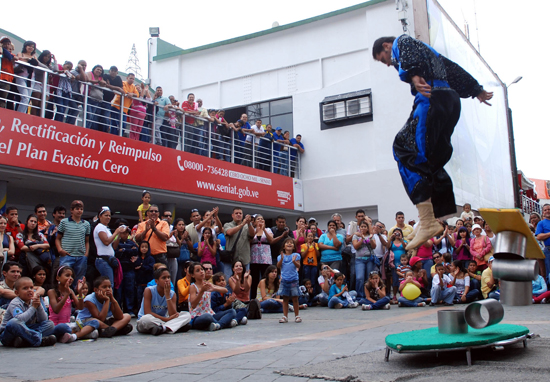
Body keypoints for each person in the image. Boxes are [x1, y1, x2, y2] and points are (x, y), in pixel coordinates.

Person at [372, 35, 493, 251]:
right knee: (431, 158)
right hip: (451, 100)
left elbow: (407, 53)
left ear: (387, 46)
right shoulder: (429, 52)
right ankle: (436, 216)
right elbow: (452, 69)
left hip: (432, 99)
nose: (388, 63)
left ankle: (427, 220)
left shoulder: (403, 43)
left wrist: (415, 75)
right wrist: (475, 89)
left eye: (384, 58)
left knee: (404, 148)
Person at [0, 277, 63, 347]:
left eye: (31, 288)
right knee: (13, 322)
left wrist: (39, 306)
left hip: (27, 330)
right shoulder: (15, 303)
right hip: (10, 333)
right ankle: (38, 340)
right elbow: (20, 319)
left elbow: (44, 319)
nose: (29, 290)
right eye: (25, 288)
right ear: (17, 293)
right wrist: (33, 307)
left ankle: (25, 341)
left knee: (50, 324)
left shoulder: (33, 301)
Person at [48, 266, 99, 340]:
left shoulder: (70, 291)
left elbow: (80, 307)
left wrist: (80, 292)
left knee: (95, 322)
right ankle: (82, 333)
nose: (70, 278)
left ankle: (73, 336)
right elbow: (56, 310)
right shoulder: (52, 292)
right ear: (58, 278)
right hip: (58, 325)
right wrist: (66, 295)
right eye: (67, 275)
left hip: (69, 324)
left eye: (72, 276)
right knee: (63, 327)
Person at [136, 268, 191, 335]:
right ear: (157, 281)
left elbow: (173, 314)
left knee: (187, 315)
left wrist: (167, 296)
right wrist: (166, 320)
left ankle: (162, 328)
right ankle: (171, 327)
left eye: (168, 277)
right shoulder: (149, 290)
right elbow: (147, 312)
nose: (167, 280)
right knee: (145, 319)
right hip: (151, 321)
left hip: (163, 321)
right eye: (164, 278)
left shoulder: (172, 294)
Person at [188, 262, 237, 330]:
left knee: (232, 311)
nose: (201, 272)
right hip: (197, 317)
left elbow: (225, 290)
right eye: (197, 271)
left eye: (202, 269)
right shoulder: (193, 287)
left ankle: (218, 325)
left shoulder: (207, 284)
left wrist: (214, 288)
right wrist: (201, 291)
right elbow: (193, 305)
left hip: (211, 314)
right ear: (193, 275)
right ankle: (225, 323)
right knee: (207, 317)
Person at [55, 200, 91, 287]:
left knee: (79, 281)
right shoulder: (64, 222)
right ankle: (64, 298)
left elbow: (87, 241)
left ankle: (76, 299)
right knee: (64, 279)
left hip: (81, 257)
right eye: (77, 209)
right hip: (67, 255)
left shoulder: (86, 224)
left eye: (81, 209)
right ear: (71, 210)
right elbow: (58, 238)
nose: (79, 211)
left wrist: (86, 254)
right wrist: (60, 250)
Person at [94, 206, 125, 287]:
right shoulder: (99, 227)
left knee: (111, 284)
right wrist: (116, 231)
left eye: (109, 216)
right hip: (103, 260)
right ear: (100, 216)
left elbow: (114, 246)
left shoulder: (106, 228)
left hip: (110, 259)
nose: (108, 217)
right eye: (106, 215)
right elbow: (106, 242)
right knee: (108, 284)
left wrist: (119, 235)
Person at [113, 227, 139, 316]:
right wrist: (128, 250)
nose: (124, 235)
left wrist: (124, 250)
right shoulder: (117, 243)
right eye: (123, 233)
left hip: (130, 269)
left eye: (126, 233)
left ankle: (129, 310)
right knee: (119, 291)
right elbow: (116, 252)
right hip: (119, 270)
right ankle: (118, 310)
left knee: (130, 290)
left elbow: (136, 251)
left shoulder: (131, 242)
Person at [222, 208, 254, 278]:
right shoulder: (227, 225)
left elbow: (252, 235)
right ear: (232, 215)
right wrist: (242, 224)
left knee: (245, 280)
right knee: (228, 280)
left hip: (244, 258)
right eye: (236, 213)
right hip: (231, 259)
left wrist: (249, 224)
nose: (238, 215)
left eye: (240, 213)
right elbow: (229, 232)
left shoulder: (247, 226)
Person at [277, 238, 302, 322]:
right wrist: (281, 259)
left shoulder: (296, 255)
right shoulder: (280, 256)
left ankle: (297, 316)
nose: (289, 244)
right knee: (285, 299)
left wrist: (294, 261)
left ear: (294, 247)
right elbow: (278, 265)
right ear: (284, 246)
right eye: (287, 243)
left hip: (294, 279)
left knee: (295, 298)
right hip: (284, 280)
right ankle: (285, 316)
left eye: (291, 243)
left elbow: (298, 266)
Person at [249, 215, 273, 299]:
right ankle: (253, 298)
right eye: (258, 219)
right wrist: (257, 231)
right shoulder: (252, 230)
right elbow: (249, 240)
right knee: (254, 279)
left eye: (262, 219)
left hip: (265, 258)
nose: (260, 220)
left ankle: (265, 296)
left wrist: (263, 230)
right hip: (254, 257)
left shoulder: (268, 230)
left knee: (265, 278)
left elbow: (271, 240)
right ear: (254, 222)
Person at [353, 221, 376, 299]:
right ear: (359, 228)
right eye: (361, 226)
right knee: (359, 277)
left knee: (369, 278)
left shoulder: (371, 236)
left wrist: (371, 239)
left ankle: (369, 295)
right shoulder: (356, 236)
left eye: (364, 227)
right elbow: (355, 246)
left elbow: (374, 247)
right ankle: (360, 296)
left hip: (370, 259)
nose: (363, 228)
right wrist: (361, 240)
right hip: (359, 259)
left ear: (367, 228)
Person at [385, 227, 406, 303]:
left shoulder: (404, 241)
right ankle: (394, 295)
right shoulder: (391, 242)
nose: (397, 234)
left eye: (398, 232)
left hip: (403, 263)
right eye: (395, 232)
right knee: (394, 280)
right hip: (394, 263)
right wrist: (391, 238)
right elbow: (387, 247)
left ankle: (402, 294)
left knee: (403, 279)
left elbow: (405, 247)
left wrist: (401, 239)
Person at [535, 204, 550, 284]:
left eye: (549, 209)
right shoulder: (541, 223)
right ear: (543, 212)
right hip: (548, 250)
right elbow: (539, 237)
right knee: (549, 272)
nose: (547, 211)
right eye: (545, 210)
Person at [0, 36, 16, 109]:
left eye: (8, 44)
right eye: (4, 43)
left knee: (3, 99)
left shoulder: (12, 55)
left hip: (7, 79)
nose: (6, 45)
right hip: (2, 77)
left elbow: (15, 58)